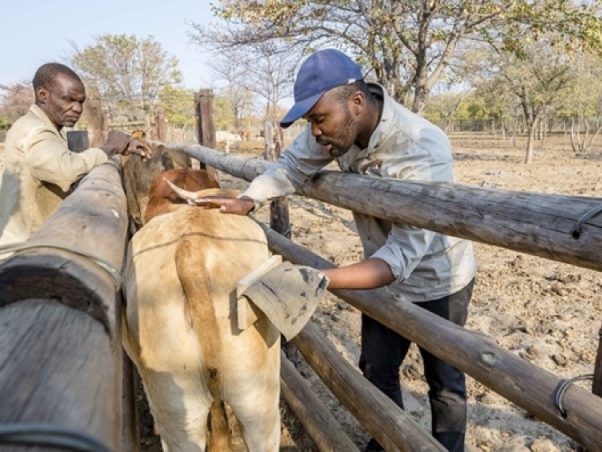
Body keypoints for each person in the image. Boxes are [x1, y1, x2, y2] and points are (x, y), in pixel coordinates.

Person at [194, 49, 476, 451]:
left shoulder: (420, 147)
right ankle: (386, 441)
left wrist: (317, 278)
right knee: (376, 368)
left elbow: (402, 254)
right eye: (310, 122)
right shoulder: (334, 131)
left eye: (318, 119)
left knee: (444, 381)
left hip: (437, 277)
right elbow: (291, 166)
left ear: (356, 103)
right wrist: (249, 199)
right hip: (380, 275)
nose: (315, 132)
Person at [0, 62, 150, 246]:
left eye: (80, 102)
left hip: (36, 242)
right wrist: (109, 148)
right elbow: (65, 169)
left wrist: (115, 149)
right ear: (42, 95)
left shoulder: (43, 127)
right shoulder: (36, 131)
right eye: (68, 100)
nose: (77, 109)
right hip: (25, 251)